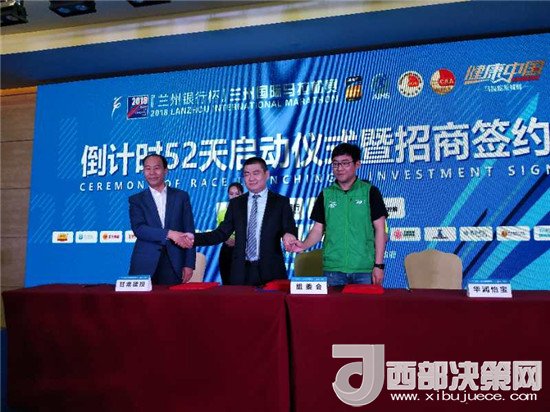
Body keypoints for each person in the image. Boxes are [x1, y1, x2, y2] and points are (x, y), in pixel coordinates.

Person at [183, 157, 298, 286]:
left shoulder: (280, 202)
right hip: (241, 272)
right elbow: (221, 233)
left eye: (256, 173)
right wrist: (193, 238)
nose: (251, 178)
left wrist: (289, 234)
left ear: (266, 174)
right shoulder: (236, 204)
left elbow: (289, 227)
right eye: (247, 174)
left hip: (272, 271)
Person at [289, 143, 388, 286]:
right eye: (335, 164)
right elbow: (318, 229)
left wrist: (378, 265)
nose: (339, 168)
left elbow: (380, 230)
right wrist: (304, 245)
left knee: (365, 302)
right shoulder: (326, 194)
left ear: (357, 164)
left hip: (364, 269)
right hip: (333, 270)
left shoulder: (370, 192)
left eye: (345, 163)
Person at [128, 154, 196, 285]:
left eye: (156, 168)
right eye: (148, 168)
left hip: (174, 262)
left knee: (171, 298)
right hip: (144, 263)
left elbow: (189, 231)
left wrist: (189, 264)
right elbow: (139, 229)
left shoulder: (181, 196)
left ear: (165, 170)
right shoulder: (136, 200)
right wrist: (170, 234)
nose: (152, 173)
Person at [217, 182, 244, 285]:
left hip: (242, 251)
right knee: (227, 283)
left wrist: (238, 241)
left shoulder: (248, 212)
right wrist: (225, 239)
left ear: (242, 194)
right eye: (231, 194)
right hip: (226, 250)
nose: (234, 196)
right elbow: (220, 232)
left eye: (237, 194)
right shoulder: (221, 212)